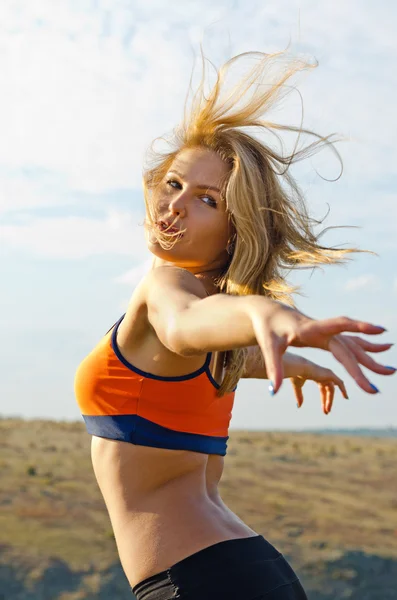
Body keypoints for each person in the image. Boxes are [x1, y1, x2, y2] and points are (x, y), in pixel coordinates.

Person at [74, 49, 394, 599]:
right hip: (247, 568)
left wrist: (268, 314)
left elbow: (187, 323)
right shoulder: (215, 341)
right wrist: (291, 360)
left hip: (199, 581)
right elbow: (214, 352)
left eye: (206, 200)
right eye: (173, 184)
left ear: (232, 231)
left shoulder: (169, 293)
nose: (175, 206)